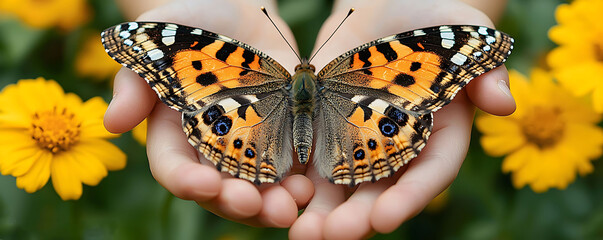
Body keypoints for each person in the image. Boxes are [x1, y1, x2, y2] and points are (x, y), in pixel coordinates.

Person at [104, 0, 516, 239]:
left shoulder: (242, 65)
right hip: (360, 117)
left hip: (248, 115)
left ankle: (257, 154)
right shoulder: (368, 65)